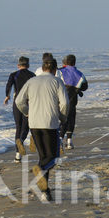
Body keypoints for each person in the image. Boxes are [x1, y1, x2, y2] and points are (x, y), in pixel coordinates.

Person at [15, 57, 69, 202]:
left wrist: (27, 112)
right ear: (55, 69)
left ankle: (45, 192)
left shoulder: (31, 81)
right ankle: (40, 169)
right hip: (50, 123)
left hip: (34, 124)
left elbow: (19, 101)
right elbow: (64, 103)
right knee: (54, 157)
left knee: (44, 155)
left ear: (42, 67)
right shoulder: (57, 82)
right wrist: (63, 118)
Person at [4, 56, 35, 162]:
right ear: (28, 65)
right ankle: (21, 141)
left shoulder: (14, 74)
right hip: (28, 102)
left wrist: (7, 96)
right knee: (25, 127)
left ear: (18, 65)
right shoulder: (32, 75)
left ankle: (17, 155)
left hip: (17, 102)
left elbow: (8, 86)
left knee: (18, 126)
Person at [57, 54, 88, 149]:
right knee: (71, 118)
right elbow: (85, 87)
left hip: (61, 99)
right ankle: (69, 142)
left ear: (65, 62)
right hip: (73, 99)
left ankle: (60, 139)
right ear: (74, 62)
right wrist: (77, 89)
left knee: (62, 119)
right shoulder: (80, 74)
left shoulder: (60, 71)